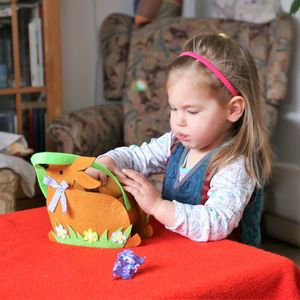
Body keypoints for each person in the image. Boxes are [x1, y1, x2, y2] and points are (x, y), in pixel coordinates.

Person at [87, 33, 271, 247]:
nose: (178, 121)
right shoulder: (175, 143)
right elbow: (137, 156)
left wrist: (158, 206)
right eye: (174, 108)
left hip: (227, 264)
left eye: (191, 111)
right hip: (180, 252)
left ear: (233, 109)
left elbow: (217, 223)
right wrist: (108, 161)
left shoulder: (235, 163)